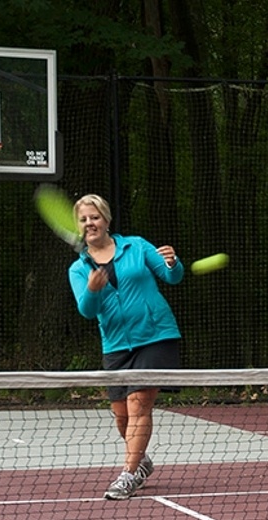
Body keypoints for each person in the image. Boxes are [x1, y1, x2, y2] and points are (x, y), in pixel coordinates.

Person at [67, 193, 185, 500]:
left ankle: (128, 475)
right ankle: (141, 460)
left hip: (156, 336)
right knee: (121, 414)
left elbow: (171, 277)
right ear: (78, 227)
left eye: (94, 217)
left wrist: (173, 263)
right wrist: (92, 290)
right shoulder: (78, 269)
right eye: (83, 220)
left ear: (106, 219)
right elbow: (87, 310)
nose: (89, 223)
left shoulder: (137, 246)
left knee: (138, 404)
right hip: (116, 345)